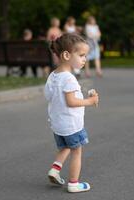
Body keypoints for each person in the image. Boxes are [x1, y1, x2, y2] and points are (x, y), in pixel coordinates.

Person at [44, 33, 99, 193]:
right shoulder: (69, 78)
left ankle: (55, 169)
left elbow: (49, 96)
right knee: (76, 151)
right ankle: (74, 183)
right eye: (81, 55)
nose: (84, 59)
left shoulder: (53, 76)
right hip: (71, 124)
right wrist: (90, 101)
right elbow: (71, 102)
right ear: (67, 55)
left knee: (66, 146)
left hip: (57, 124)